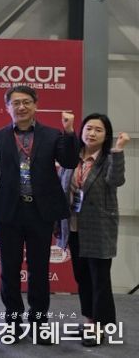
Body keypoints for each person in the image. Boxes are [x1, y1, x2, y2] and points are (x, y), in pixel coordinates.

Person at [0, 85, 79, 345]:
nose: (21, 107)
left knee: (39, 270)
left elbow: (70, 161)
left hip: (41, 212)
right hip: (9, 211)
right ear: (7, 107)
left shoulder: (52, 135)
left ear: (35, 105)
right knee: (9, 269)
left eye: (26, 102)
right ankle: (13, 322)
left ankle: (39, 324)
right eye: (16, 103)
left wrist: (69, 131)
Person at [57, 114, 129, 347]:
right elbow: (62, 190)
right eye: (89, 128)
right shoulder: (72, 159)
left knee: (100, 280)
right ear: (82, 131)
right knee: (83, 278)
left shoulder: (109, 159)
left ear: (106, 136)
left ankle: (100, 327)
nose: (92, 133)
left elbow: (116, 181)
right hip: (74, 227)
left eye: (99, 130)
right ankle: (90, 320)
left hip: (99, 228)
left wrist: (119, 150)